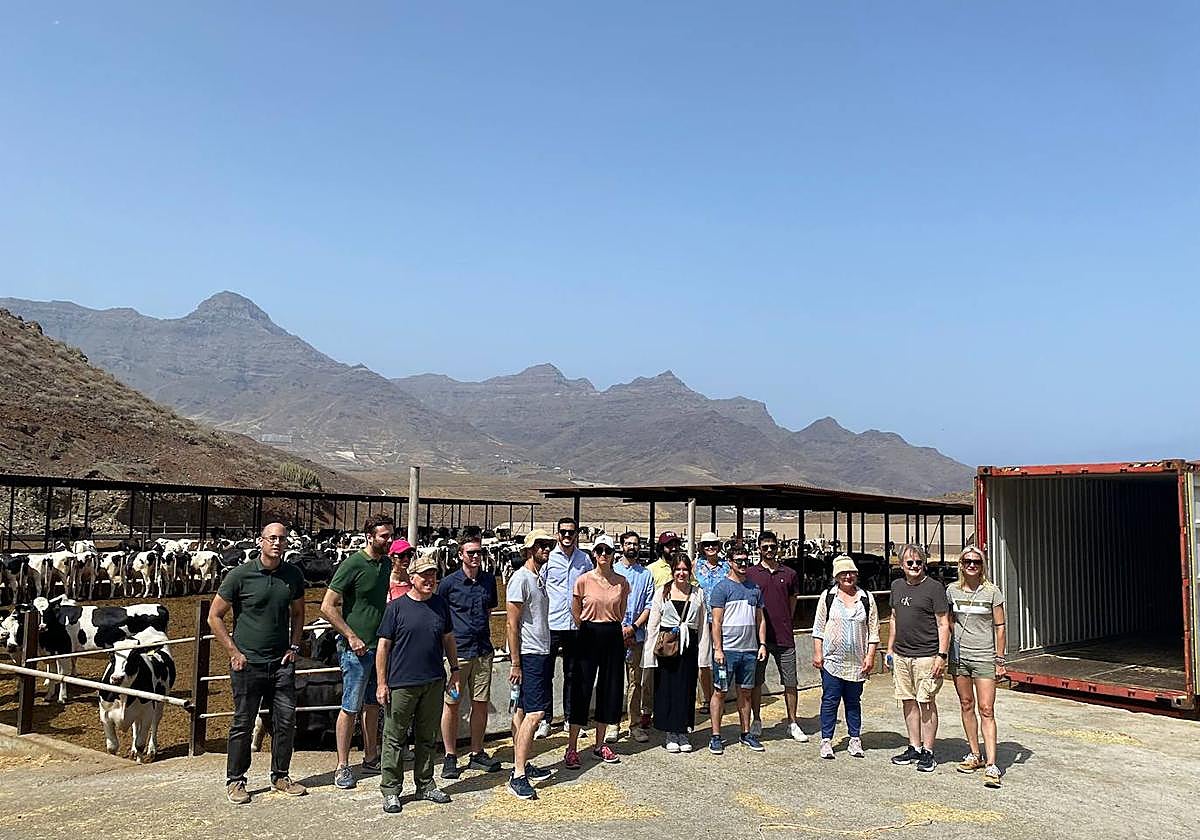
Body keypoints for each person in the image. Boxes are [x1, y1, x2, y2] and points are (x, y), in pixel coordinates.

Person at [209, 521, 308, 804]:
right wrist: (233, 652)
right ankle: (236, 780)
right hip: (247, 663)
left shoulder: (293, 575)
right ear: (260, 541)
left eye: (282, 539)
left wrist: (294, 646)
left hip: (281, 663)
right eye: (272, 538)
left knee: (286, 721)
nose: (277, 543)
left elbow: (299, 613)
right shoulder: (239, 575)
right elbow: (214, 616)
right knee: (243, 722)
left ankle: (280, 775)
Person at [374, 554, 459, 814]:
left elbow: (448, 639)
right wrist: (381, 683)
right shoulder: (396, 607)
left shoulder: (440, 605)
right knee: (394, 737)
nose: (429, 580)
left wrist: (454, 670)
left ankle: (425, 784)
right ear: (412, 578)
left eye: (433, 575)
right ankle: (391, 790)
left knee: (426, 736)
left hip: (433, 681)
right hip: (402, 683)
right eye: (424, 575)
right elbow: (383, 647)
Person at [321, 513, 393, 789]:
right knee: (350, 706)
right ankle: (342, 766)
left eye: (390, 535)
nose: (388, 540)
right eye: (383, 536)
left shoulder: (385, 564)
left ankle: (371, 756)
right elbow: (327, 606)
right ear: (369, 537)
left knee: (374, 703)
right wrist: (350, 635)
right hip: (356, 650)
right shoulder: (352, 564)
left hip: (379, 648)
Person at [437, 534, 502, 779]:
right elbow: (440, 615)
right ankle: (450, 755)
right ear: (460, 555)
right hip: (458, 654)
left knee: (481, 702)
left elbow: (488, 610)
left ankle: (476, 752)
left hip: (483, 651)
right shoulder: (448, 583)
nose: (475, 557)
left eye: (479, 552)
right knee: (451, 704)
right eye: (471, 552)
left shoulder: (488, 580)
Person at [565, 535, 630, 767]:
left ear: (614, 554)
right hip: (588, 633)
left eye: (608, 550)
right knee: (582, 688)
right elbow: (575, 611)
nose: (604, 554)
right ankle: (571, 748)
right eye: (599, 550)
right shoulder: (583, 580)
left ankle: (600, 744)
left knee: (609, 687)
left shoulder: (622, 582)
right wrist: (587, 627)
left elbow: (621, 612)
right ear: (594, 553)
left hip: (612, 633)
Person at [886, 543, 950, 772]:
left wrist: (941, 656)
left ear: (924, 564)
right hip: (902, 656)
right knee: (908, 701)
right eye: (909, 563)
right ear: (901, 565)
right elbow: (893, 618)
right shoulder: (897, 586)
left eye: (918, 562)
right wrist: (890, 649)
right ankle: (913, 746)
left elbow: (943, 624)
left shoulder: (934, 588)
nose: (914, 566)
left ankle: (928, 751)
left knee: (926, 702)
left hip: (927, 656)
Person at [947, 547, 1007, 788]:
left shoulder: (992, 592)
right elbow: (948, 619)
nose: (972, 565)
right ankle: (975, 754)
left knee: (986, 708)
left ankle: (992, 764)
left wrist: (999, 658)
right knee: (966, 704)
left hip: (984, 656)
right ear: (961, 565)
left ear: (983, 566)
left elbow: (1000, 626)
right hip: (960, 656)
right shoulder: (951, 590)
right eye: (967, 561)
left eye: (976, 562)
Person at [506, 530, 558, 801]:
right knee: (536, 714)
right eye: (541, 545)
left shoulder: (537, 578)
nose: (546, 549)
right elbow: (511, 624)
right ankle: (518, 775)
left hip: (537, 651)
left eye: (548, 545)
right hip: (529, 654)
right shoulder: (521, 579)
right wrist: (516, 662)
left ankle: (521, 763)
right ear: (529, 550)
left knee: (524, 710)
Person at [811, 555, 880, 759]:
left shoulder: (866, 598)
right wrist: (818, 652)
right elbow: (818, 627)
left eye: (851, 573)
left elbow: (873, 630)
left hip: (857, 662)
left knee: (853, 701)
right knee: (830, 700)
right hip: (832, 660)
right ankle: (826, 740)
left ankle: (855, 739)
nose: (848, 576)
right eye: (843, 573)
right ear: (836, 576)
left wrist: (870, 656)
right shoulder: (828, 597)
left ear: (856, 575)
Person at [643, 553, 710, 752]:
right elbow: (654, 623)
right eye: (678, 569)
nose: (681, 573)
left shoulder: (698, 593)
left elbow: (702, 625)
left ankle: (683, 730)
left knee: (686, 688)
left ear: (690, 571)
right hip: (668, 646)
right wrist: (650, 653)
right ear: (673, 571)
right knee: (666, 688)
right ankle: (669, 731)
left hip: (689, 646)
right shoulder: (662, 592)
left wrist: (703, 654)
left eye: (685, 569)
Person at [746, 531, 808, 742]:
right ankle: (756, 720)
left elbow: (793, 599)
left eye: (773, 547)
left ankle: (792, 722)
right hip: (759, 639)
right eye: (765, 547)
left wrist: (786, 621)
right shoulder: (751, 573)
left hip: (784, 637)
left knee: (790, 682)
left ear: (778, 547)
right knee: (756, 681)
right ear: (759, 549)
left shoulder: (789, 573)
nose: (769, 551)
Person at [708, 544, 768, 754]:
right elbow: (716, 622)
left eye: (746, 561)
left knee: (746, 692)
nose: (743, 564)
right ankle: (716, 735)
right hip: (727, 652)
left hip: (749, 651)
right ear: (730, 563)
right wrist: (718, 649)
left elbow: (760, 619)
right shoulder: (721, 588)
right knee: (720, 691)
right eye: (739, 561)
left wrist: (761, 644)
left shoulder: (755, 589)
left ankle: (745, 733)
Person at [542, 516, 593, 738]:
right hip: (551, 622)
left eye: (571, 532)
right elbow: (540, 587)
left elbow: (591, 587)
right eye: (563, 532)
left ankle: (570, 718)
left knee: (573, 673)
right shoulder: (548, 559)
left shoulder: (585, 560)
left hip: (575, 624)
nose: (566, 536)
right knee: (546, 672)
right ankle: (545, 718)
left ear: (576, 534)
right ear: (557, 534)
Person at [611, 531, 655, 743]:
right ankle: (612, 724)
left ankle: (634, 724)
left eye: (635, 544)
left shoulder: (645, 575)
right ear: (621, 546)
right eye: (628, 543)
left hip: (636, 635)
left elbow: (649, 605)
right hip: (613, 635)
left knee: (635, 682)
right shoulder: (612, 571)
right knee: (613, 681)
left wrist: (634, 626)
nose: (632, 547)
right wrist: (619, 628)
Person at [693, 531, 728, 709]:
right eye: (706, 544)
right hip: (702, 619)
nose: (710, 548)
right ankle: (707, 698)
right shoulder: (695, 566)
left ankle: (719, 695)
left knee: (720, 659)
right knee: (704, 661)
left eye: (713, 544)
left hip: (722, 619)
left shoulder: (727, 567)